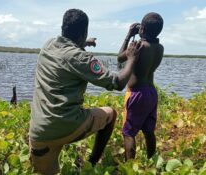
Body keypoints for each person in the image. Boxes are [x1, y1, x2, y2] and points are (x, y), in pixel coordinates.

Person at [29, 8, 142, 175]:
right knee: (110, 114)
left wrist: (84, 42)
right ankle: (91, 164)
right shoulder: (82, 58)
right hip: (68, 126)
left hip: (40, 133)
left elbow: (67, 50)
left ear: (62, 28)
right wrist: (131, 59)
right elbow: (117, 83)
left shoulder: (48, 45)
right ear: (84, 32)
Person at [117, 12, 164, 160]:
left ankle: (130, 168)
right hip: (151, 92)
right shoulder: (160, 48)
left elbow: (119, 58)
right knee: (148, 131)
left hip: (136, 94)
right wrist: (142, 32)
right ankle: (151, 161)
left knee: (128, 133)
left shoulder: (138, 45)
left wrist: (129, 35)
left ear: (141, 29)